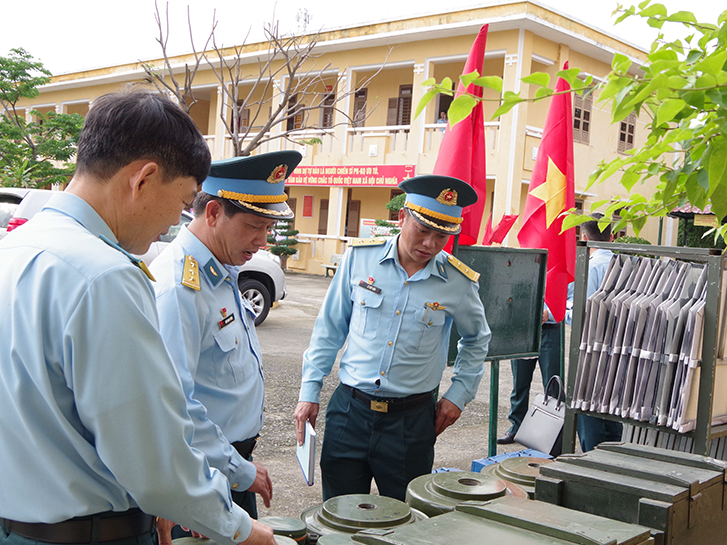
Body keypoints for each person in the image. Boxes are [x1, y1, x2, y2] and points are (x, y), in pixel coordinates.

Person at [0, 89, 285, 545]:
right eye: (179, 205)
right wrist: (239, 526)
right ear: (144, 178)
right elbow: (154, 459)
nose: (171, 225)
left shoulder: (15, 248)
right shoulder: (104, 275)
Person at [294, 175, 491, 501]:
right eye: (423, 230)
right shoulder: (360, 259)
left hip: (410, 423)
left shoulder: (457, 282)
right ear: (402, 217)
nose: (429, 243)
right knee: (340, 513)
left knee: (403, 519)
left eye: (441, 236)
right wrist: (309, 390)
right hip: (350, 413)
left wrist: (459, 393)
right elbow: (329, 328)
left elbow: (477, 338)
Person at [149, 151, 302, 525]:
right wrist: (238, 469)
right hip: (203, 473)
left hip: (229, 465)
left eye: (268, 228)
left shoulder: (223, 269)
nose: (263, 241)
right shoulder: (180, 287)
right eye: (255, 226)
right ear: (214, 213)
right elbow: (174, 406)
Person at [567, 214, 619, 452]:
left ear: (584, 238)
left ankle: (593, 458)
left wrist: (561, 311)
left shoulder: (589, 267)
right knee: (614, 405)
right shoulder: (627, 264)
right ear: (612, 236)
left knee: (588, 405)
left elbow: (580, 313)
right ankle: (615, 455)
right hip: (621, 347)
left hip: (591, 346)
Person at [497, 315, 561, 445]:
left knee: (552, 385)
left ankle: (553, 432)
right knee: (519, 382)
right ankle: (516, 426)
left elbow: (570, 302)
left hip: (550, 329)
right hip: (523, 330)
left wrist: (549, 312)